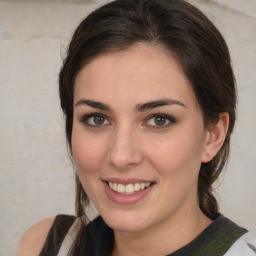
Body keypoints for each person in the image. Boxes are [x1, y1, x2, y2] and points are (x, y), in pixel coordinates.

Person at [17, 0, 256, 255]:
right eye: (97, 119)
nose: (120, 156)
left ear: (213, 137)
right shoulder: (48, 245)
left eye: (159, 120)